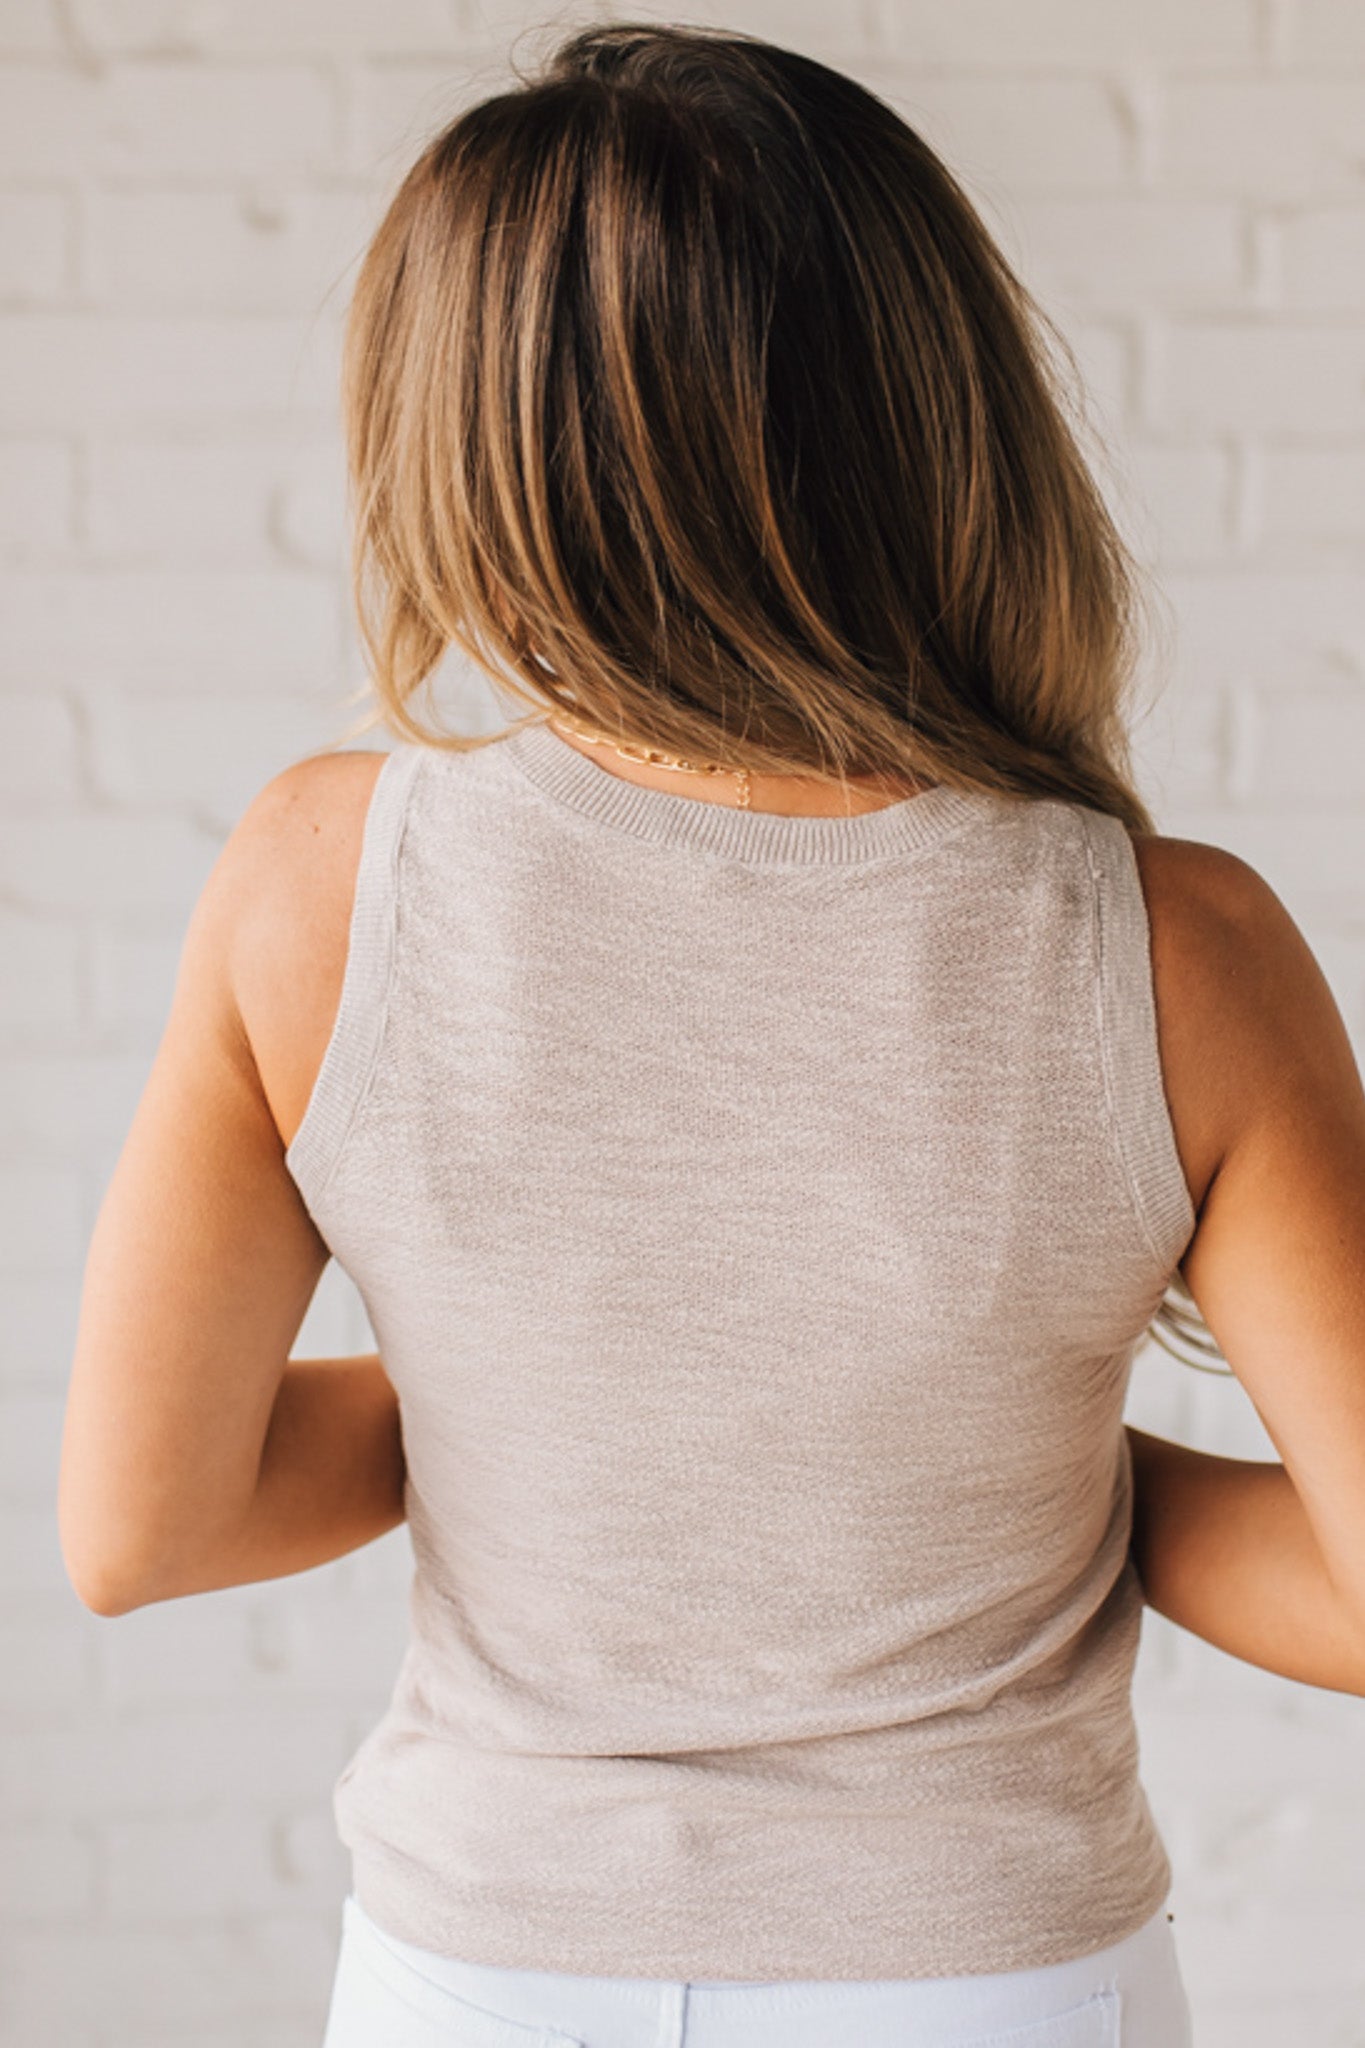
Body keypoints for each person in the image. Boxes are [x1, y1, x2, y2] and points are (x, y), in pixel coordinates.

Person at [57, 22, 1365, 2048]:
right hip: (986, 1979)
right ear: (939, 407)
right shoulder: (1173, 947)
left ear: (457, 441)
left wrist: (546, 1418)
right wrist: (1028, 1476)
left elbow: (143, 1524)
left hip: (481, 1974)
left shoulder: (317, 884)